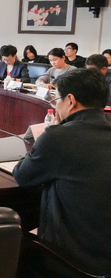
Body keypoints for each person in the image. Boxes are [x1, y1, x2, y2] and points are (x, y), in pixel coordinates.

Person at [13, 69, 111, 276]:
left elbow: (22, 176)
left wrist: (54, 131)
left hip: (72, 264)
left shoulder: (59, 137)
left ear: (71, 100)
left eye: (57, 99)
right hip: (104, 259)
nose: (55, 106)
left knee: (15, 246)